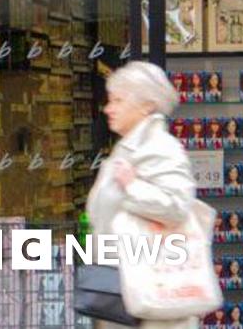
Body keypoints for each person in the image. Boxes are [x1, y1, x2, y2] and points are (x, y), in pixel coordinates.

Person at [85, 60, 198, 329]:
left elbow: (177, 206)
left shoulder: (160, 148)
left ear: (147, 105)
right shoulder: (127, 149)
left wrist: (133, 187)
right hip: (123, 294)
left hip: (153, 303)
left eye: (118, 100)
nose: (108, 108)